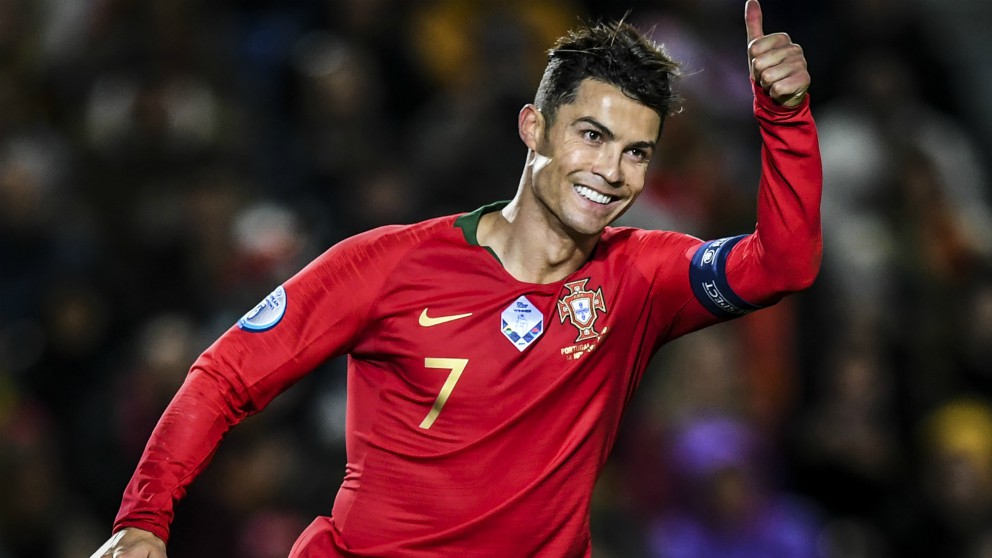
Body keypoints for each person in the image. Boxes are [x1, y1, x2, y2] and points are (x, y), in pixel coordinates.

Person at [93, 1, 819, 556]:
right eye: (592, 137)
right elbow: (226, 373)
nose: (611, 172)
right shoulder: (388, 264)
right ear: (534, 126)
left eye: (637, 152)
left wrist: (784, 120)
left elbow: (782, 263)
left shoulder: (642, 276)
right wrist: (144, 520)